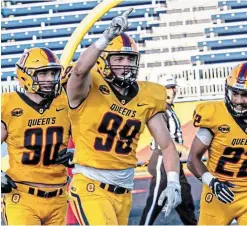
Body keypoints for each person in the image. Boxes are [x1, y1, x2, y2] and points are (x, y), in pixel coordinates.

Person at [65, 9, 182, 225]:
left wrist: (173, 181)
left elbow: (166, 145)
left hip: (124, 191)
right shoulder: (87, 86)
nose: (125, 65)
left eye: (130, 59)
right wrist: (105, 37)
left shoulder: (148, 95)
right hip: (90, 184)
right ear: (103, 60)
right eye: (118, 58)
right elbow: (80, 71)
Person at [187, 62, 247, 225]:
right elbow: (192, 159)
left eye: (245, 95)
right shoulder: (214, 115)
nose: (238, 100)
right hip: (217, 195)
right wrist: (212, 182)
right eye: (234, 93)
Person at [1, 47, 73, 225]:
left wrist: (76, 152)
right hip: (23, 197)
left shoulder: (64, 103)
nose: (50, 79)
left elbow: (88, 138)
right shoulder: (8, 104)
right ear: (26, 75)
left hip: (59, 197)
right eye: (43, 74)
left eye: (53, 73)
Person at [139, 75, 197, 225]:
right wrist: (186, 149)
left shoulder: (170, 110)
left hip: (173, 161)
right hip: (162, 160)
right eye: (168, 87)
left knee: (185, 198)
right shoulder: (162, 111)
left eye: (173, 87)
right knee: (155, 202)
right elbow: (164, 142)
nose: (173, 90)